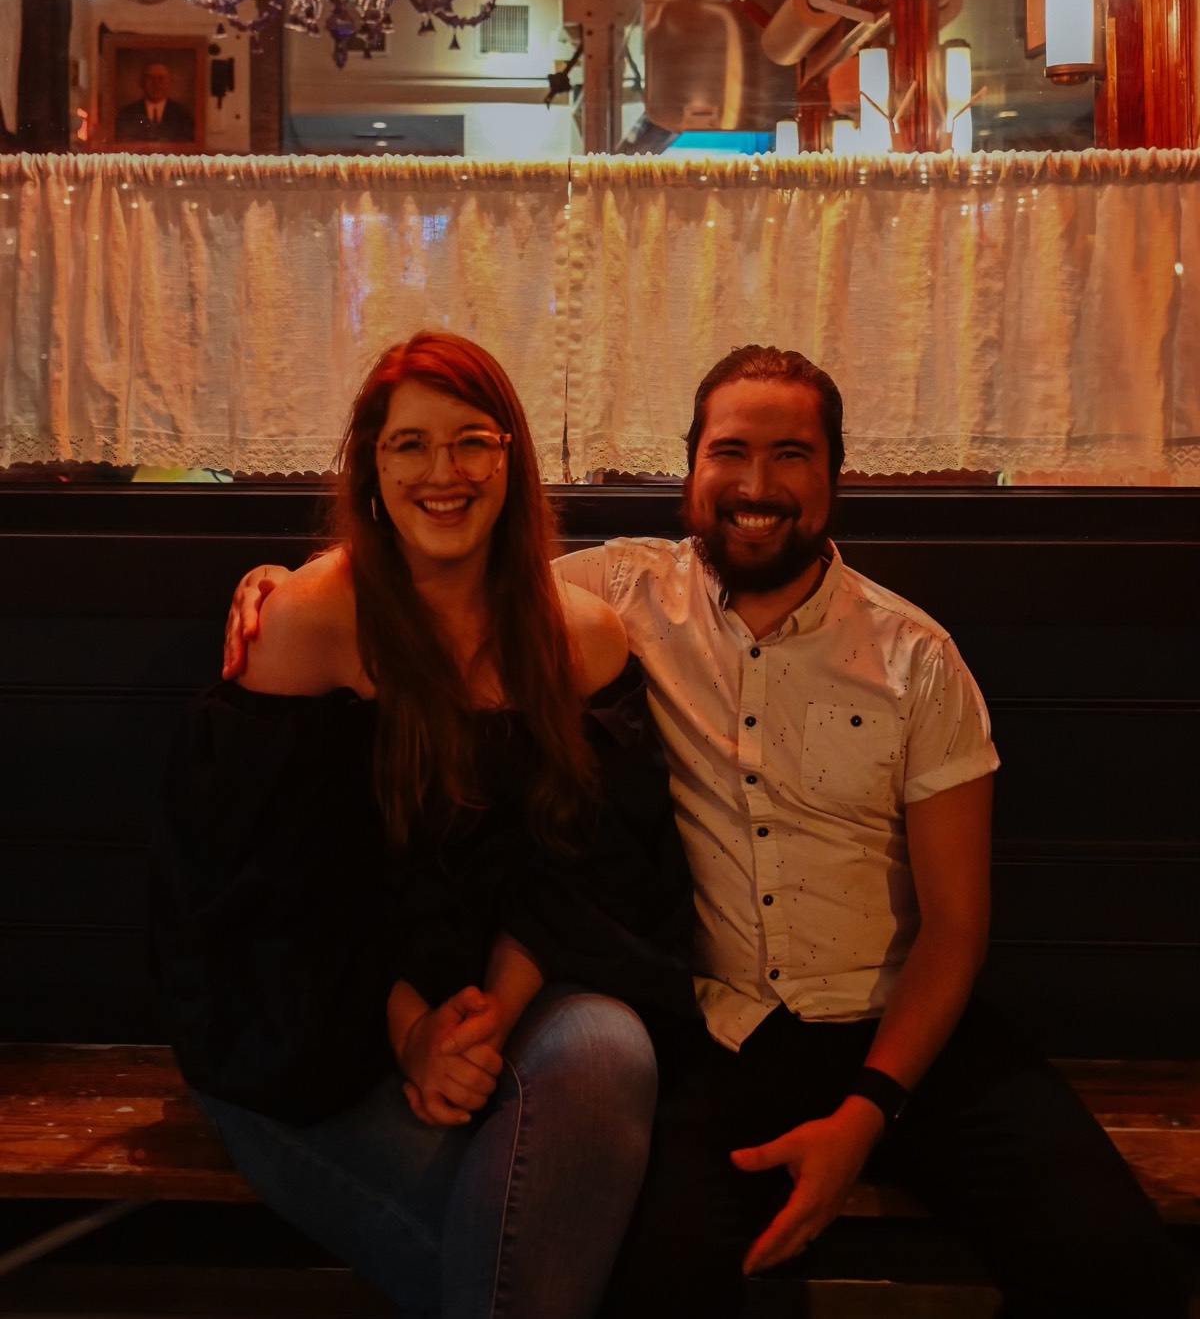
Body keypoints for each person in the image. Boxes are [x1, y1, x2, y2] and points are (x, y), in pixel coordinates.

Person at [224, 342, 1191, 1319]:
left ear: (835, 475)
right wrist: (285, 581)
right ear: (690, 467)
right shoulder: (616, 600)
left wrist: (867, 1112)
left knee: (1125, 1273)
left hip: (905, 1040)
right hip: (720, 1037)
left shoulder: (918, 658)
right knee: (653, 1291)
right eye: (730, 452)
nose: (756, 485)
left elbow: (955, 929)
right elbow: (446, 556)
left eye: (792, 456)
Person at [152, 331, 696, 1319]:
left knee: (612, 1047)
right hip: (309, 1029)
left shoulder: (581, 637)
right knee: (544, 1264)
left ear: (511, 459)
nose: (442, 472)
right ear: (371, 467)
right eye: (409, 445)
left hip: (501, 1006)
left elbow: (594, 866)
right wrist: (409, 1030)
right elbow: (267, 896)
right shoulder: (313, 622)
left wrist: (486, 1010)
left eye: (470, 441)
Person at [116, 59, 194, 143]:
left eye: (161, 78)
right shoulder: (127, 114)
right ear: (142, 82)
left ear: (169, 82)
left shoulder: (183, 115)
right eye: (150, 78)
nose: (156, 83)